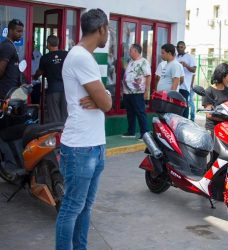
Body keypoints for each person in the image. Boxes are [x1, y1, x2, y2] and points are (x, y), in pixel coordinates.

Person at [55, 8, 112, 250]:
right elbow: (107, 104)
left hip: (94, 145)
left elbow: (103, 99)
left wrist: (101, 96)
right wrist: (102, 98)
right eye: (108, 29)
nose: (108, 34)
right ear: (101, 29)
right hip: (80, 148)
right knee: (71, 207)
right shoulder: (81, 57)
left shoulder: (83, 56)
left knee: (85, 207)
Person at [34, 35, 68, 123]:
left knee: (54, 117)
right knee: (66, 116)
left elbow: (39, 72)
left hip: (53, 90)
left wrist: (34, 76)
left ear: (48, 44)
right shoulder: (66, 54)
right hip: (66, 89)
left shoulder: (45, 58)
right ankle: (63, 135)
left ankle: (57, 135)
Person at [121, 43, 151, 140]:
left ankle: (145, 133)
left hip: (137, 92)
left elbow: (148, 76)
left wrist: (147, 90)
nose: (129, 52)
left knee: (140, 112)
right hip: (127, 92)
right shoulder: (131, 61)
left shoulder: (144, 62)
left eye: (130, 50)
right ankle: (131, 132)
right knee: (130, 113)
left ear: (135, 51)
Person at [202, 63, 228, 133]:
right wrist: (226, 119)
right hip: (214, 129)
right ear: (222, 76)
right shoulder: (208, 92)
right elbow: (209, 114)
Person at [0, 19, 24, 101]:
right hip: (6, 93)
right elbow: (1, 69)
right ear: (10, 31)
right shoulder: (7, 46)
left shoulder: (10, 45)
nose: (21, 34)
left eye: (22, 32)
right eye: (18, 31)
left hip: (11, 91)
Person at [176, 41, 196, 118]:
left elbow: (194, 70)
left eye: (181, 47)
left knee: (184, 105)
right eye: (178, 47)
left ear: (185, 47)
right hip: (176, 86)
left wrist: (185, 65)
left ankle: (185, 121)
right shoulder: (176, 57)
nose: (179, 48)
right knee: (177, 105)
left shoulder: (190, 57)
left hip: (184, 86)